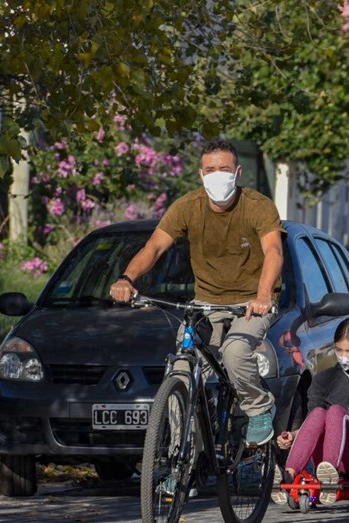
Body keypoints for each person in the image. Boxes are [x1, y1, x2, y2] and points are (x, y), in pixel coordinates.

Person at [109, 137, 284, 446]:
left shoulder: (258, 206)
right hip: (206, 303)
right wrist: (127, 278)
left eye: (225, 168)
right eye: (211, 169)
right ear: (201, 174)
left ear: (238, 172)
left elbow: (273, 252)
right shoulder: (188, 207)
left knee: (234, 352)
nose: (218, 175)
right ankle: (182, 456)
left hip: (250, 303)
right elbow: (154, 248)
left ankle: (258, 408)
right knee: (180, 369)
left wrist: (262, 296)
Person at [273, 318, 349, 506]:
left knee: (335, 411)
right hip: (323, 460)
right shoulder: (324, 379)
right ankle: (288, 475)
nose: (343, 356)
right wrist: (293, 436)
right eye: (339, 350)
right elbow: (313, 425)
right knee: (317, 413)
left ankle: (329, 476)